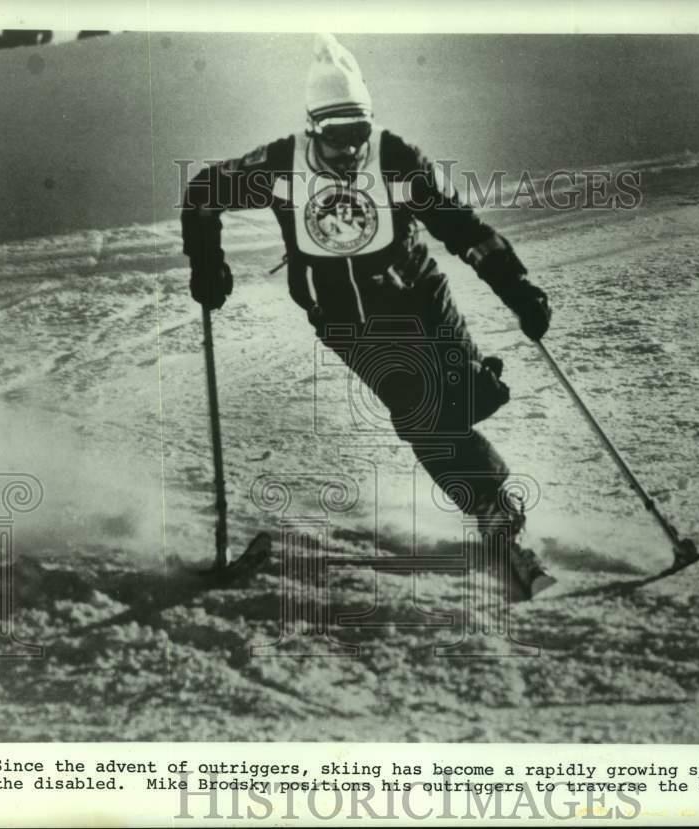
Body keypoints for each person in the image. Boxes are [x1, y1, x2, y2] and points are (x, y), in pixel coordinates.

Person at [181, 34, 557, 599]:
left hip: (420, 301)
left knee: (458, 398)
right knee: (418, 405)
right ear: (313, 129)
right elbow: (204, 192)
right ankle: (492, 507)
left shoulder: (396, 160)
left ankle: (475, 424)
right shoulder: (282, 168)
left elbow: (464, 230)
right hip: (348, 324)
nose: (350, 150)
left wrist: (518, 288)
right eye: (336, 138)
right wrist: (207, 263)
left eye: (359, 133)